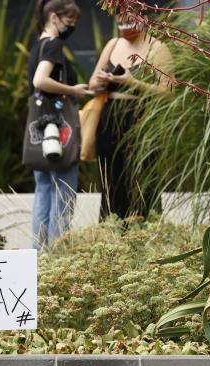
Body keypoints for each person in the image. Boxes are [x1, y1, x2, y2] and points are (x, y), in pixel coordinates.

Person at [89, 14, 171, 219]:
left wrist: (133, 82)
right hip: (110, 114)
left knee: (141, 177)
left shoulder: (157, 47)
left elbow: (169, 91)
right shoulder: (113, 43)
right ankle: (112, 228)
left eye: (129, 20)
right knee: (110, 177)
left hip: (140, 116)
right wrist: (102, 80)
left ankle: (144, 226)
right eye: (120, 20)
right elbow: (91, 85)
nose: (124, 27)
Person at [28, 0, 91, 250]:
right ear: (54, 17)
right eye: (69, 21)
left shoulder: (37, 45)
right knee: (63, 192)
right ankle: (58, 255)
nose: (72, 26)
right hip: (59, 129)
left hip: (39, 131)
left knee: (43, 190)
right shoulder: (54, 45)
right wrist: (72, 90)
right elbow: (40, 80)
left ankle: (39, 256)